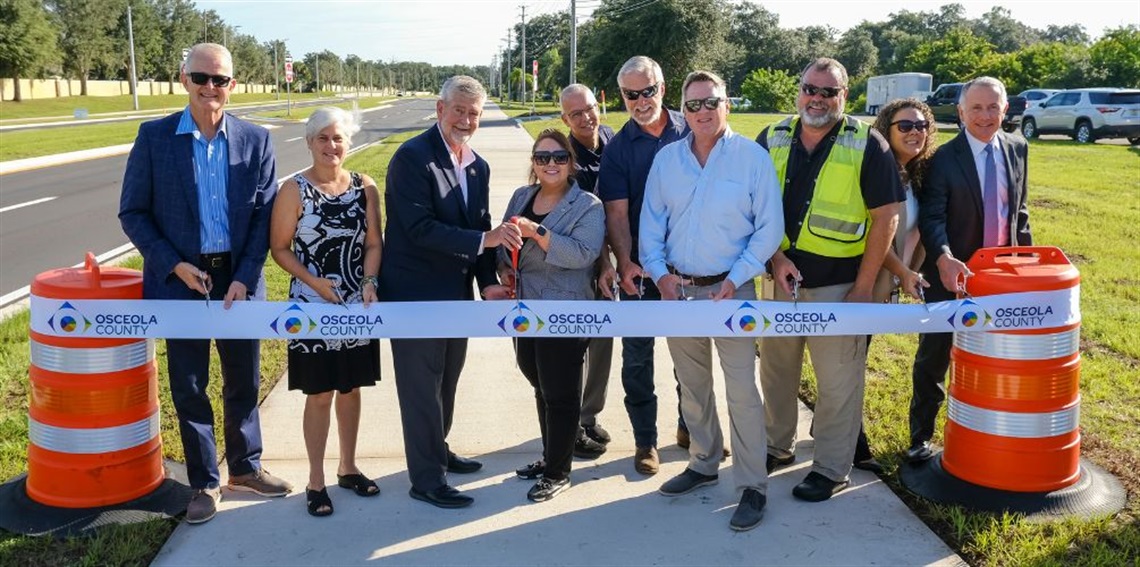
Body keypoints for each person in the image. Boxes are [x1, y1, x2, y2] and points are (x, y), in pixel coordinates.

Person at [119, 43, 290, 525]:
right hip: (180, 283)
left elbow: (263, 217)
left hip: (238, 284)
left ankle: (246, 467)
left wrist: (243, 276)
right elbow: (133, 212)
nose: (211, 88)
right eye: (202, 78)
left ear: (233, 85)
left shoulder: (256, 140)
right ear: (184, 80)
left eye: (221, 80)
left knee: (243, 379)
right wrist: (173, 265)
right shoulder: (154, 138)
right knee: (190, 385)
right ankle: (204, 482)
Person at [640, 70, 783, 531]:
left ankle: (752, 486)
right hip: (678, 290)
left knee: (741, 389)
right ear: (683, 109)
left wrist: (737, 277)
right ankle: (703, 462)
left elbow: (769, 229)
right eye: (693, 104)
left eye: (711, 102)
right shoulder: (667, 161)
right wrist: (660, 276)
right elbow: (651, 225)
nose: (702, 111)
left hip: (733, 290)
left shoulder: (752, 158)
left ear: (727, 105)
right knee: (693, 384)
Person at [756, 58, 903, 502]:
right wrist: (775, 256)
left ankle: (831, 467)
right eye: (810, 89)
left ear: (845, 96)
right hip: (778, 282)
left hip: (840, 287)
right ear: (799, 90)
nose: (817, 99)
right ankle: (777, 448)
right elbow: (752, 208)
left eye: (829, 92)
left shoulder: (868, 144)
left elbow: (887, 218)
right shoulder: (772, 136)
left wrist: (863, 288)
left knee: (839, 381)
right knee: (776, 373)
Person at [378, 75, 520, 509]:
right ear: (440, 110)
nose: (465, 119)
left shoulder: (477, 165)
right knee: (421, 387)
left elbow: (480, 227)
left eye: (473, 113)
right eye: (458, 110)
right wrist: (486, 241)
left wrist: (489, 284)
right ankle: (426, 479)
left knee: (448, 379)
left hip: (456, 295)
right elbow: (419, 229)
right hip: (415, 295)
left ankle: (436, 450)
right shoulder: (412, 158)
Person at [907, 76, 1031, 463]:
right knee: (935, 356)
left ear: (1005, 110)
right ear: (960, 113)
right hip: (951, 275)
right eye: (976, 108)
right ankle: (920, 436)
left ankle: (997, 430)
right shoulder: (942, 159)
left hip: (1001, 279)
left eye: (993, 107)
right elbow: (932, 216)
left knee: (1001, 356)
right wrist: (942, 257)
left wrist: (1026, 268)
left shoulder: (1018, 147)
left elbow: (1019, 214)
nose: (985, 115)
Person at [268, 107, 382, 517]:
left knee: (351, 389)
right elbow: (279, 248)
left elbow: (373, 244)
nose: (331, 146)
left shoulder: (365, 187)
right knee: (319, 394)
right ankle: (316, 481)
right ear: (310, 143)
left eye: (338, 138)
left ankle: (348, 467)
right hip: (311, 307)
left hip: (356, 307)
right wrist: (315, 283)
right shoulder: (293, 190)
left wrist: (369, 283)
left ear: (348, 143)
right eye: (323, 138)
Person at [499, 129, 606, 502]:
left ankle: (559, 471)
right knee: (538, 381)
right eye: (542, 157)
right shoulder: (520, 196)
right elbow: (505, 244)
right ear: (533, 162)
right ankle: (549, 456)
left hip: (566, 309)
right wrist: (505, 269)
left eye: (559, 157)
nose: (550, 164)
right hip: (525, 307)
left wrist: (539, 232)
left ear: (570, 162)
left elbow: (582, 254)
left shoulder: (588, 205)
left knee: (559, 392)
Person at [596, 55, 690, 475]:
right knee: (637, 357)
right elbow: (616, 213)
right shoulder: (617, 148)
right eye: (631, 94)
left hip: (693, 266)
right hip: (642, 271)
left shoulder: (691, 128)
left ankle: (693, 427)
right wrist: (626, 261)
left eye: (647, 91)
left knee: (693, 354)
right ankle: (645, 442)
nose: (640, 100)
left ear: (663, 88)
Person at [843, 99, 940, 474]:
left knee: (857, 356)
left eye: (921, 126)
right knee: (851, 361)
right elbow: (875, 234)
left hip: (891, 282)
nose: (915, 132)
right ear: (886, 129)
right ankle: (853, 441)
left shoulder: (916, 174)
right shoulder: (877, 170)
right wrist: (902, 272)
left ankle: (829, 426)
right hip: (863, 280)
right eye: (905, 126)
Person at [559, 84, 616, 459]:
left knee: (603, 344)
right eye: (576, 114)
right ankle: (570, 423)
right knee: (575, 346)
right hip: (582, 262)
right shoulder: (565, 158)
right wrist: (602, 263)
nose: (586, 118)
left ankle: (589, 414)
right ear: (565, 119)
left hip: (613, 261)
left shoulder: (612, 140)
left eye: (590, 109)